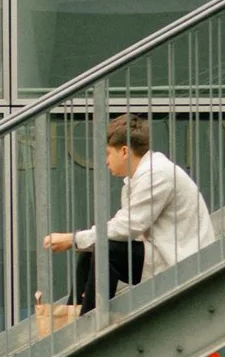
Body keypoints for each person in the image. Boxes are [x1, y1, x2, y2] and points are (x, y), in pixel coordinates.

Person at [41, 112, 215, 323]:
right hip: (167, 255)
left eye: (107, 154)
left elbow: (127, 227)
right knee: (94, 250)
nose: (105, 162)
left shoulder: (156, 174)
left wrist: (73, 239)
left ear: (124, 151)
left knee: (106, 250)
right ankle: (75, 317)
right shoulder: (145, 175)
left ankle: (85, 323)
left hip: (181, 263)